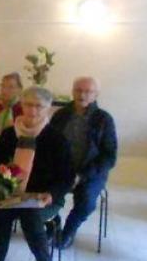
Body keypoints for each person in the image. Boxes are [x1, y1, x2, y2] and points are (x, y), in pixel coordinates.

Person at [0, 87, 74, 261]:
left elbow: (67, 177)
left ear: (48, 109)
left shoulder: (56, 139)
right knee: (0, 222)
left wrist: (52, 193)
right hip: (10, 195)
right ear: (21, 106)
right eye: (28, 105)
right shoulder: (8, 134)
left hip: (42, 197)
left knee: (31, 221)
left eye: (39, 106)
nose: (32, 111)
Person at [50, 76, 118, 250]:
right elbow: (49, 143)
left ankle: (68, 231)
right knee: (41, 192)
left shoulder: (104, 119)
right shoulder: (61, 115)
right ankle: (52, 223)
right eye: (78, 90)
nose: (82, 95)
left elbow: (109, 156)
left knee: (87, 201)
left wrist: (83, 176)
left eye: (88, 91)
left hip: (90, 173)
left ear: (96, 95)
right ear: (73, 92)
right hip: (61, 170)